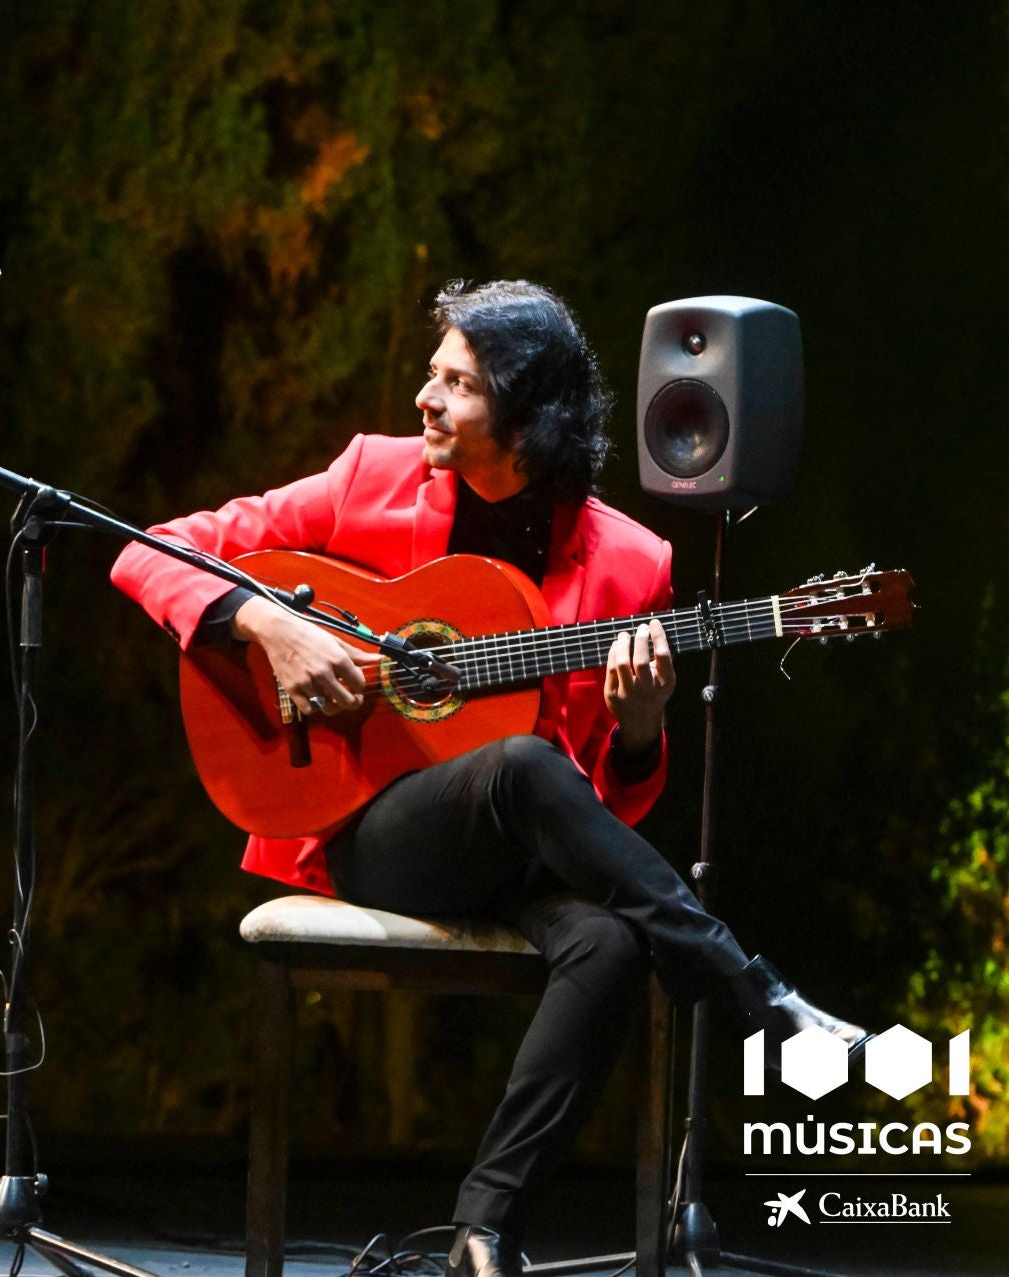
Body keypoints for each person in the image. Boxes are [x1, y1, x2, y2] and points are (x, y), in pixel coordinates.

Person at [111, 280, 868, 1277]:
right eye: (434, 373)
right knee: (519, 765)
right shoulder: (370, 477)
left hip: (519, 845)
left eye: (457, 383)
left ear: (525, 414)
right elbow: (151, 549)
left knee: (608, 940)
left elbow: (601, 805)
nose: (424, 397)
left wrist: (641, 728)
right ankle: (749, 986)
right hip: (369, 825)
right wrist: (268, 624)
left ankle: (485, 1228)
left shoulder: (630, 562)